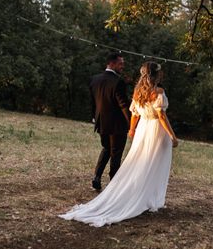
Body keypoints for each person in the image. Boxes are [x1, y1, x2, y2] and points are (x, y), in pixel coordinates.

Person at [59, 61, 178, 227]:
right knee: (154, 164)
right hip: (156, 130)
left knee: (140, 163)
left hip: (143, 129)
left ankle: (145, 196)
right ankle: (150, 198)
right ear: (156, 75)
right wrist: (172, 136)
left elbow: (134, 114)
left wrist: (132, 130)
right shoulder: (158, 91)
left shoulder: (138, 92)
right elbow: (161, 116)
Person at [88, 53, 130, 192]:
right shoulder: (118, 81)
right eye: (120, 64)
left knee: (106, 148)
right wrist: (131, 123)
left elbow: (93, 102)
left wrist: (95, 118)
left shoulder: (95, 79)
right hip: (117, 125)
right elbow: (123, 105)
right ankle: (113, 185)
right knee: (116, 153)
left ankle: (96, 177)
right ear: (111, 64)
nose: (122, 66)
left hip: (101, 123)